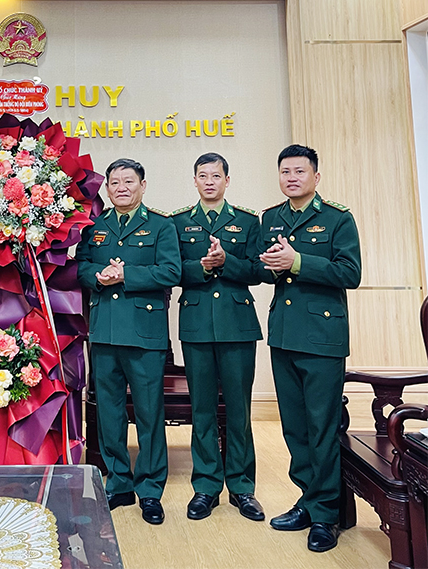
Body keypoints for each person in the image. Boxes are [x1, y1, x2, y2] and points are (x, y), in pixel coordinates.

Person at [259, 144, 361, 552]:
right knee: (296, 428)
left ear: (316, 177)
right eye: (285, 172)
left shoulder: (338, 218)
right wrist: (269, 264)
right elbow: (268, 270)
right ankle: (308, 498)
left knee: (322, 428)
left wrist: (298, 262)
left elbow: (349, 273)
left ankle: (326, 515)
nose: (291, 178)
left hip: (322, 338)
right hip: (284, 334)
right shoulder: (273, 217)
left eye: (299, 171)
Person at [76, 158, 181, 525]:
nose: (121, 187)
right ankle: (119, 481)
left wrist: (127, 274)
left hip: (144, 334)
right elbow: (81, 267)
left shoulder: (161, 225)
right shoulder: (96, 228)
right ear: (106, 188)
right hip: (104, 332)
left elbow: (172, 271)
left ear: (143, 185)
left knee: (150, 414)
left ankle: (150, 489)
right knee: (109, 412)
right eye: (114, 182)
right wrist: (97, 276)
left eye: (128, 181)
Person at [170, 153, 265, 522]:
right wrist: (201, 267)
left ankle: (242, 487)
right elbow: (173, 269)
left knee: (239, 409)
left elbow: (258, 269)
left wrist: (227, 262)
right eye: (202, 176)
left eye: (216, 175)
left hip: (237, 324)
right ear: (194, 181)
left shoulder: (245, 220)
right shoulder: (179, 221)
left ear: (228, 180)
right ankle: (206, 486)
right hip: (196, 325)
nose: (209, 181)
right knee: (203, 409)